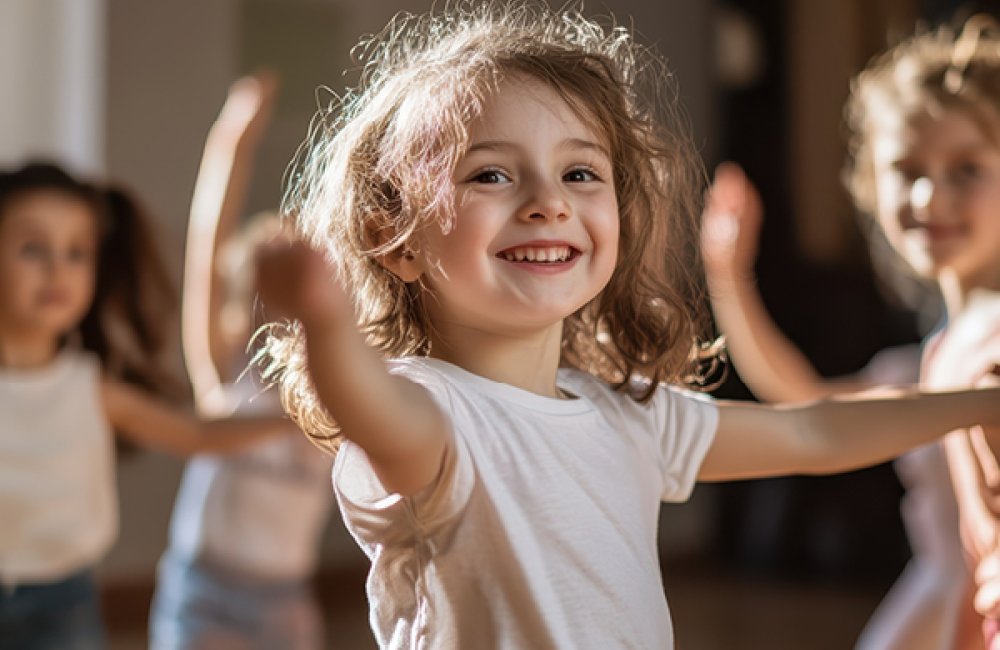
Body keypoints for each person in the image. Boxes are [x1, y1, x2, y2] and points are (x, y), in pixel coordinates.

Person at [255, 4, 1000, 648]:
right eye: (490, 174)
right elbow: (366, 404)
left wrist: (983, 404)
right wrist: (324, 322)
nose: (549, 201)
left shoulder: (629, 418)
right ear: (396, 240)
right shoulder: (438, 415)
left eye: (580, 173)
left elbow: (814, 433)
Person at [701, 13, 1000, 650]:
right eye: (907, 168)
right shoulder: (936, 353)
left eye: (966, 169)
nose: (929, 196)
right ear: (870, 185)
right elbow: (805, 401)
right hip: (947, 600)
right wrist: (729, 280)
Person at [0, 162, 289, 650]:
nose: (57, 269)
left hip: (63, 605)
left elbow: (195, 434)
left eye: (76, 253)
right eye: (33, 248)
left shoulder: (90, 388)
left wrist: (296, 419)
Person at [149, 73, 334, 650]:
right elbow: (206, 249)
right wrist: (232, 142)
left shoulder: (334, 393)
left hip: (284, 600)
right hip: (202, 589)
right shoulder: (227, 370)